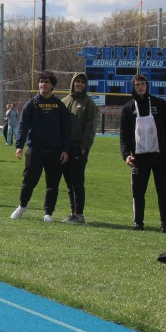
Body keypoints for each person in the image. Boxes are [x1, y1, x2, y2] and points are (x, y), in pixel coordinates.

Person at [119, 74, 166, 232]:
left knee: (163, 191)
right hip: (138, 158)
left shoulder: (160, 104)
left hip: (160, 156)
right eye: (137, 84)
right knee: (138, 191)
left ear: (147, 85)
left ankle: (165, 223)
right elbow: (124, 135)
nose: (140, 87)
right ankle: (138, 223)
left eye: (142, 83)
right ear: (133, 86)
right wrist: (126, 155)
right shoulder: (128, 108)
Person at [11, 71, 70, 222]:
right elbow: (23, 126)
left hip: (54, 151)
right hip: (35, 150)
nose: (43, 84)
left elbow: (65, 129)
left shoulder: (59, 105)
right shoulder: (31, 104)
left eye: (47, 82)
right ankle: (22, 206)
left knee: (52, 184)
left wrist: (65, 149)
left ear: (52, 85)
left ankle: (48, 213)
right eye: (41, 81)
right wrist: (19, 146)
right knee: (29, 181)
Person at [60, 72, 97, 223]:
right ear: (73, 83)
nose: (79, 84)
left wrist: (84, 147)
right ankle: (73, 212)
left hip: (78, 148)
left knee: (77, 182)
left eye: (82, 82)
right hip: (64, 148)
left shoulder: (89, 103)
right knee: (69, 183)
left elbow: (90, 127)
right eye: (77, 81)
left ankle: (79, 214)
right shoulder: (64, 101)